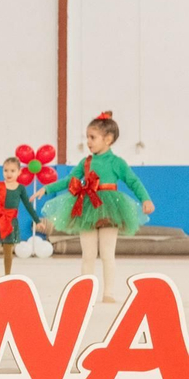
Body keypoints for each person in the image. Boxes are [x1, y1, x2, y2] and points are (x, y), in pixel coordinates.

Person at [40, 111, 154, 302]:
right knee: (88, 254)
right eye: (87, 138)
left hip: (110, 208)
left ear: (108, 139)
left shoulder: (117, 163)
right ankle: (86, 292)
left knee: (108, 254)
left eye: (92, 137)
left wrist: (146, 199)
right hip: (88, 207)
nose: (89, 142)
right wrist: (46, 188)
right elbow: (70, 180)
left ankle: (108, 293)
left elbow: (133, 181)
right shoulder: (86, 162)